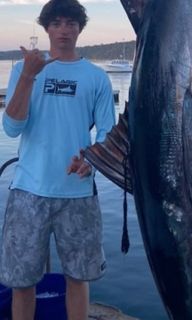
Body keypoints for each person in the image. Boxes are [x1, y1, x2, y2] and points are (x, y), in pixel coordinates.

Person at [0, 0, 115, 319]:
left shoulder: (96, 78)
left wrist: (92, 159)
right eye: (57, 23)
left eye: (71, 23)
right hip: (28, 192)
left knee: (78, 279)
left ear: (80, 28)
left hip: (78, 195)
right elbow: (11, 127)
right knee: (22, 282)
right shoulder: (25, 69)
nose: (64, 30)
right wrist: (28, 77)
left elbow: (107, 132)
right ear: (46, 27)